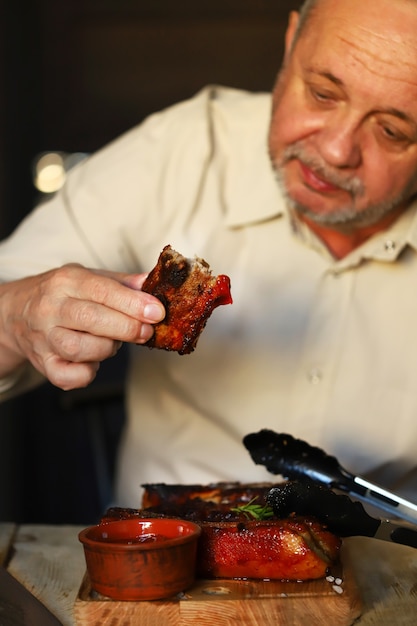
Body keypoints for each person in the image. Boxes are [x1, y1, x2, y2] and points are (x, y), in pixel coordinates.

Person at [1, 0, 417, 508]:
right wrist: (19, 313)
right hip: (166, 556)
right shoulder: (184, 150)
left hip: (388, 569)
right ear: (291, 43)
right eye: (322, 93)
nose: (335, 151)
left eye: (392, 131)